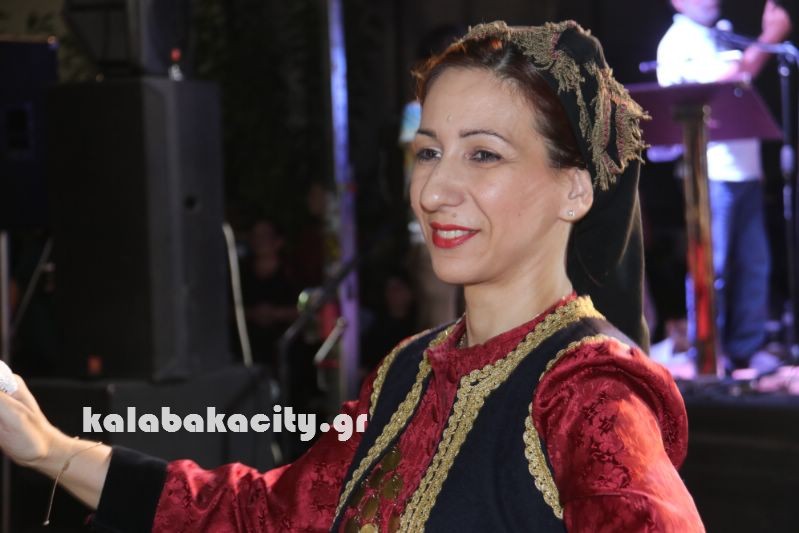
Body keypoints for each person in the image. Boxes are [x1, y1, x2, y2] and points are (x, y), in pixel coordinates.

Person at [0, 20, 704, 531]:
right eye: (427, 152)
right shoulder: (406, 371)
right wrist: (50, 448)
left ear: (574, 190)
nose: (434, 191)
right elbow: (267, 515)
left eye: (483, 155)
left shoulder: (589, 397)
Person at [656, 0, 792, 373]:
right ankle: (708, 351)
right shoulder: (677, 40)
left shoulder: (721, 33)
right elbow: (726, 83)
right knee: (711, 268)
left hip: (746, 170)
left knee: (754, 264)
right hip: (711, 172)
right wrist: (769, 37)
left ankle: (748, 346)